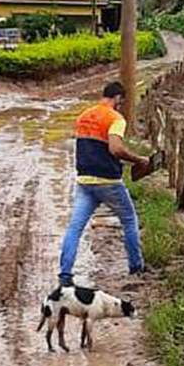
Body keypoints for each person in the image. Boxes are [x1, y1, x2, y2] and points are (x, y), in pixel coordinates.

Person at [58, 82, 150, 286]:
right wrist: (139, 160)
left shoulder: (84, 115)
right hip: (108, 181)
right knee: (129, 220)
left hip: (84, 180)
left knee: (75, 227)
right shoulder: (115, 118)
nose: (120, 105)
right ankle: (136, 266)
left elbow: (93, 146)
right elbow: (115, 149)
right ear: (118, 98)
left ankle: (65, 274)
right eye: (121, 101)